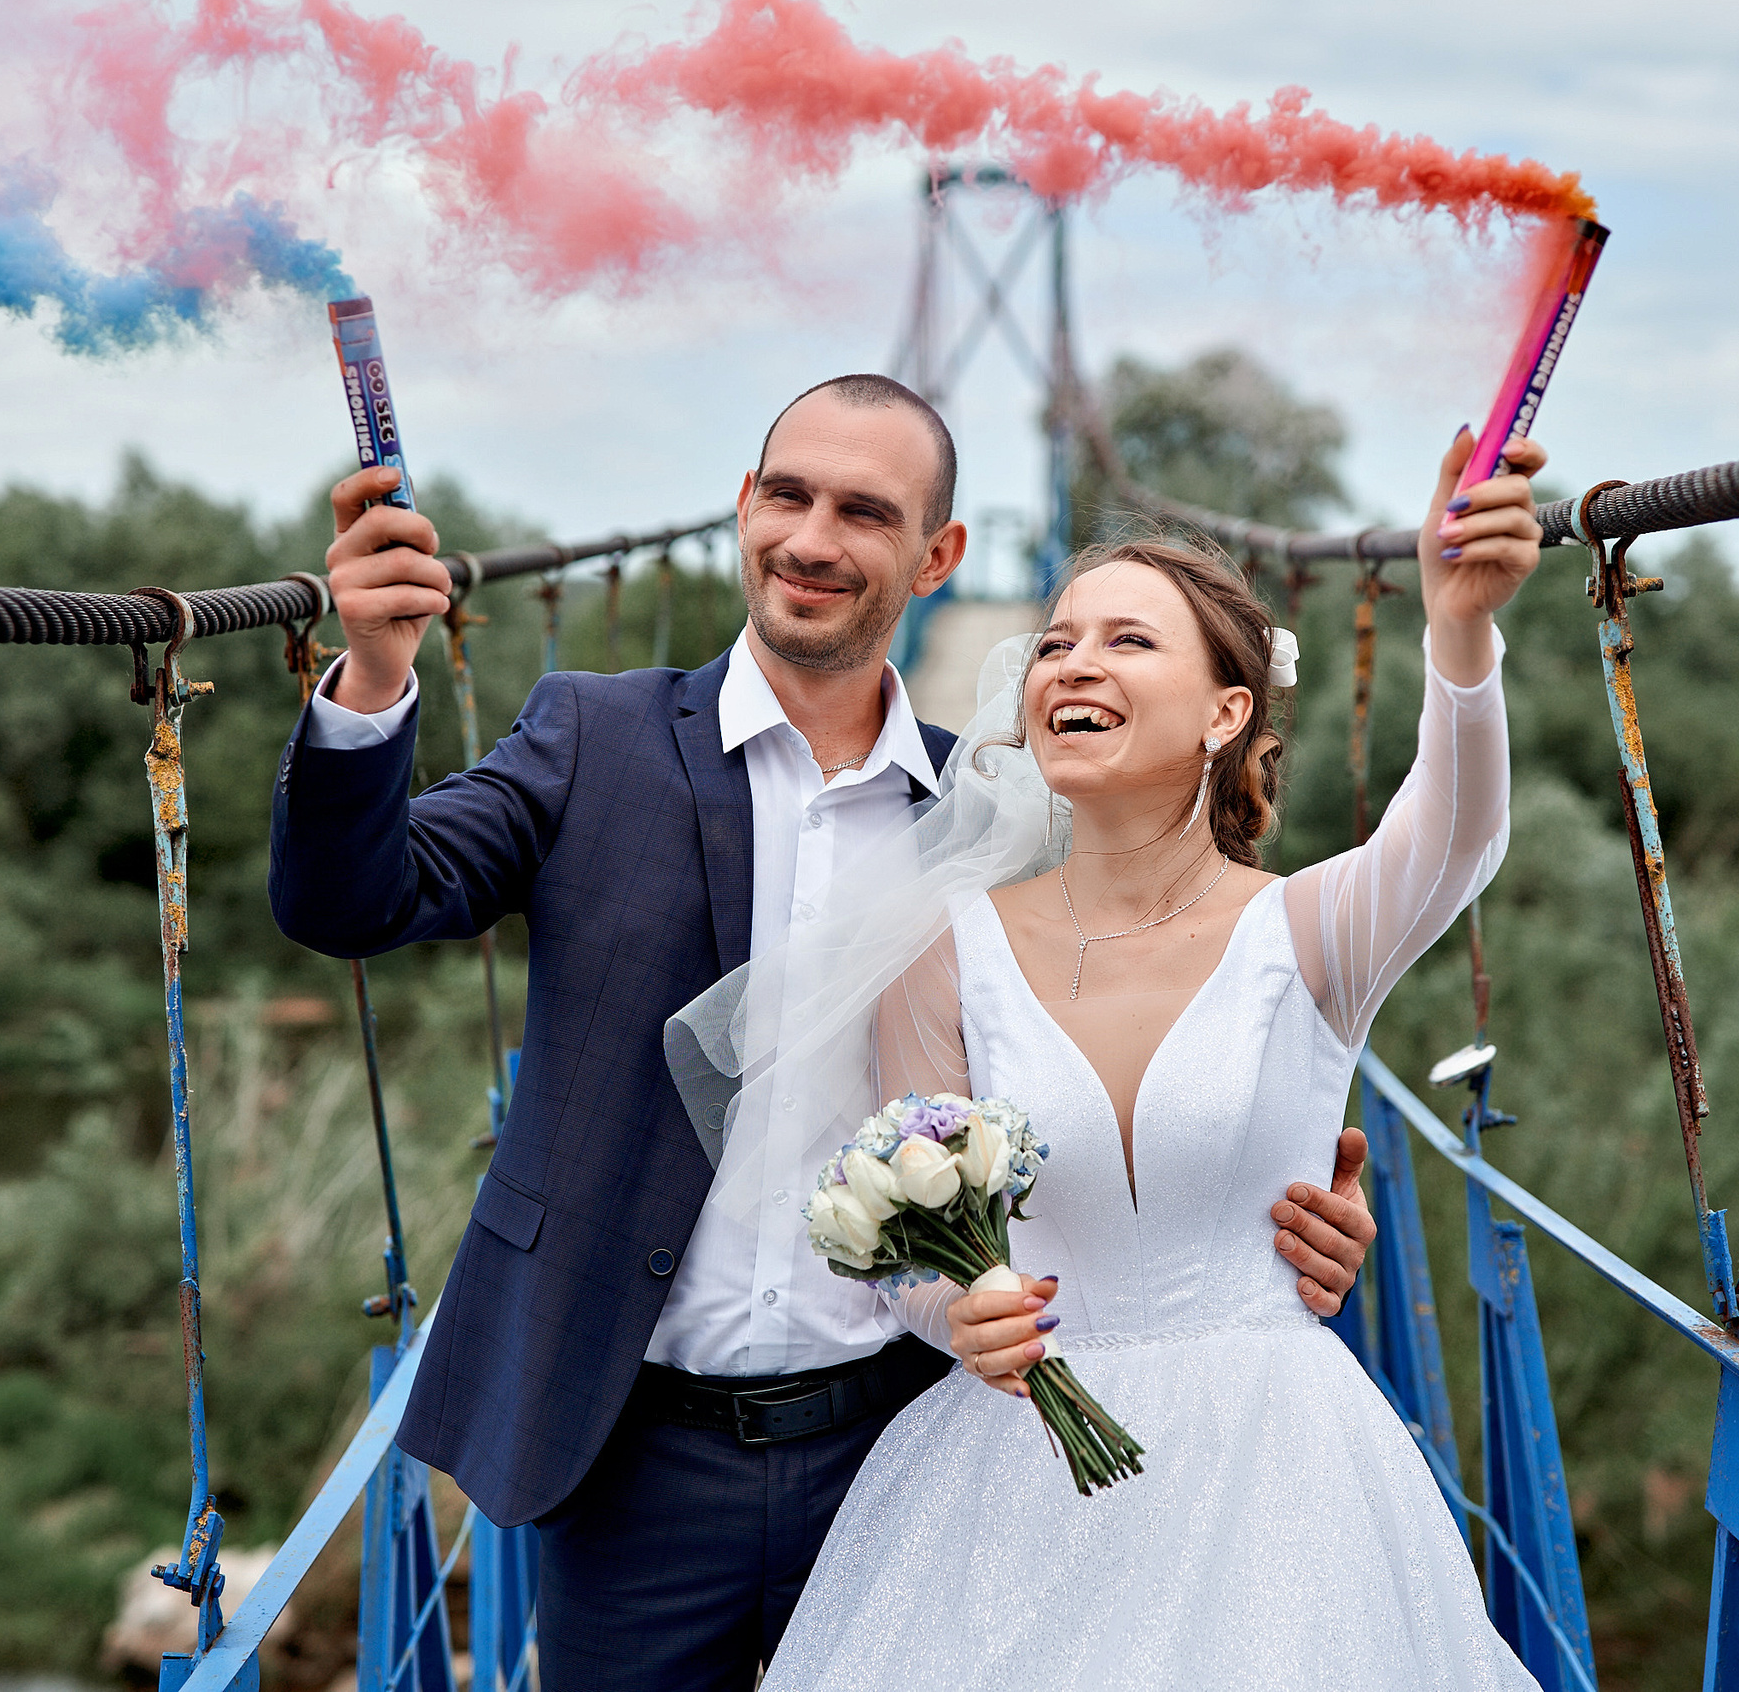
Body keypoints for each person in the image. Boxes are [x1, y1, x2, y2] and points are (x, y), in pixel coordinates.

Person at [265, 373, 1376, 1690]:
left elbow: (1129, 1045)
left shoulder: (1009, 813)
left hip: (918, 1435)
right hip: (629, 1449)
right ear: (742, 505)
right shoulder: (590, 734)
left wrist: (1271, 1206)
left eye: (865, 510)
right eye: (785, 494)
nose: (810, 537)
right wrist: (377, 671)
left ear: (939, 555)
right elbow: (350, 901)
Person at [744, 427, 1549, 1690]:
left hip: (1279, 1489)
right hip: (1011, 1481)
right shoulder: (943, 951)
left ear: (1227, 712)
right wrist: (959, 1317)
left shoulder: (1309, 931)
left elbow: (1452, 836)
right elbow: (904, 1241)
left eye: (1128, 641)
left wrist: (1458, 628)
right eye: (1057, 641)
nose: (1077, 662)